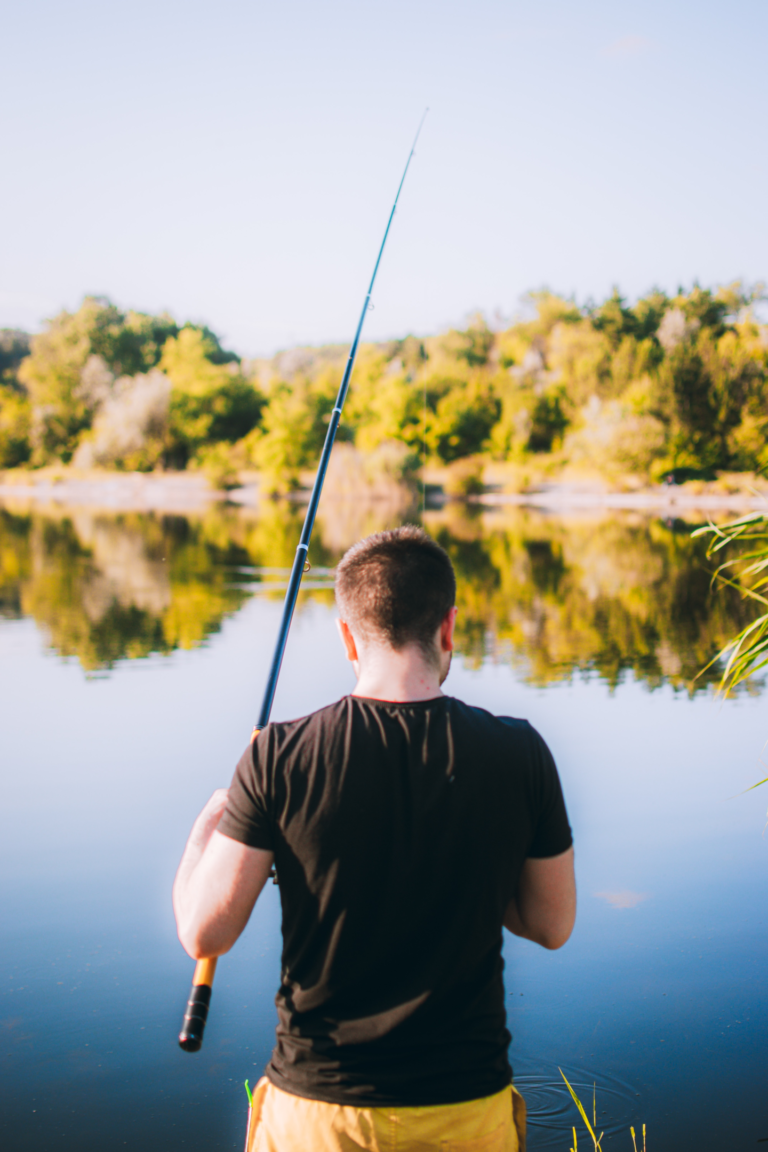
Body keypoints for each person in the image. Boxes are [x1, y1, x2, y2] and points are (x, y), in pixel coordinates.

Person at [173, 526, 576, 1152]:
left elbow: (204, 933)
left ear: (346, 637)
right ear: (448, 628)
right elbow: (551, 924)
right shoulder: (521, 753)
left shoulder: (279, 755)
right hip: (466, 1112)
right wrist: (460, 870)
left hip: (318, 1114)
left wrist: (209, 824)